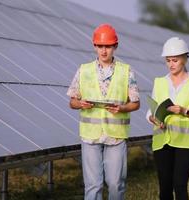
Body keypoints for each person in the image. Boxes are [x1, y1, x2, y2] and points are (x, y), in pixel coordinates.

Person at [67, 23, 140, 200]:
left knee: (116, 183)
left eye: (107, 46)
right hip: (90, 135)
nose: (104, 51)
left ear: (115, 46)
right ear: (95, 46)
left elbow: (136, 103)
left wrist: (122, 108)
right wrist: (80, 104)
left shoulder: (126, 71)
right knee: (93, 185)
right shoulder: (83, 70)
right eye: (100, 46)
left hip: (115, 135)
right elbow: (72, 101)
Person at [146, 37, 189, 200]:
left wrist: (183, 111)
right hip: (162, 141)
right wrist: (153, 118)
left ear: (185, 59)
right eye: (168, 60)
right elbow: (150, 111)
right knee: (165, 187)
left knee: (179, 185)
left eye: (175, 60)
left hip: (186, 142)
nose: (171, 64)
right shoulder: (159, 82)